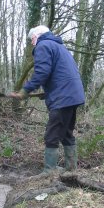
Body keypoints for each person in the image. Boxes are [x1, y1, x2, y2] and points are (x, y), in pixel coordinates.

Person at [10, 25, 85, 173]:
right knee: (66, 133)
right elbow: (60, 73)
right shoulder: (59, 47)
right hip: (73, 95)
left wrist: (25, 90)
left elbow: (42, 72)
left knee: (52, 135)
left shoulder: (43, 45)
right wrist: (47, 92)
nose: (32, 43)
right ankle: (71, 169)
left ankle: (49, 173)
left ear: (38, 35)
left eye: (32, 39)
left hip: (63, 97)